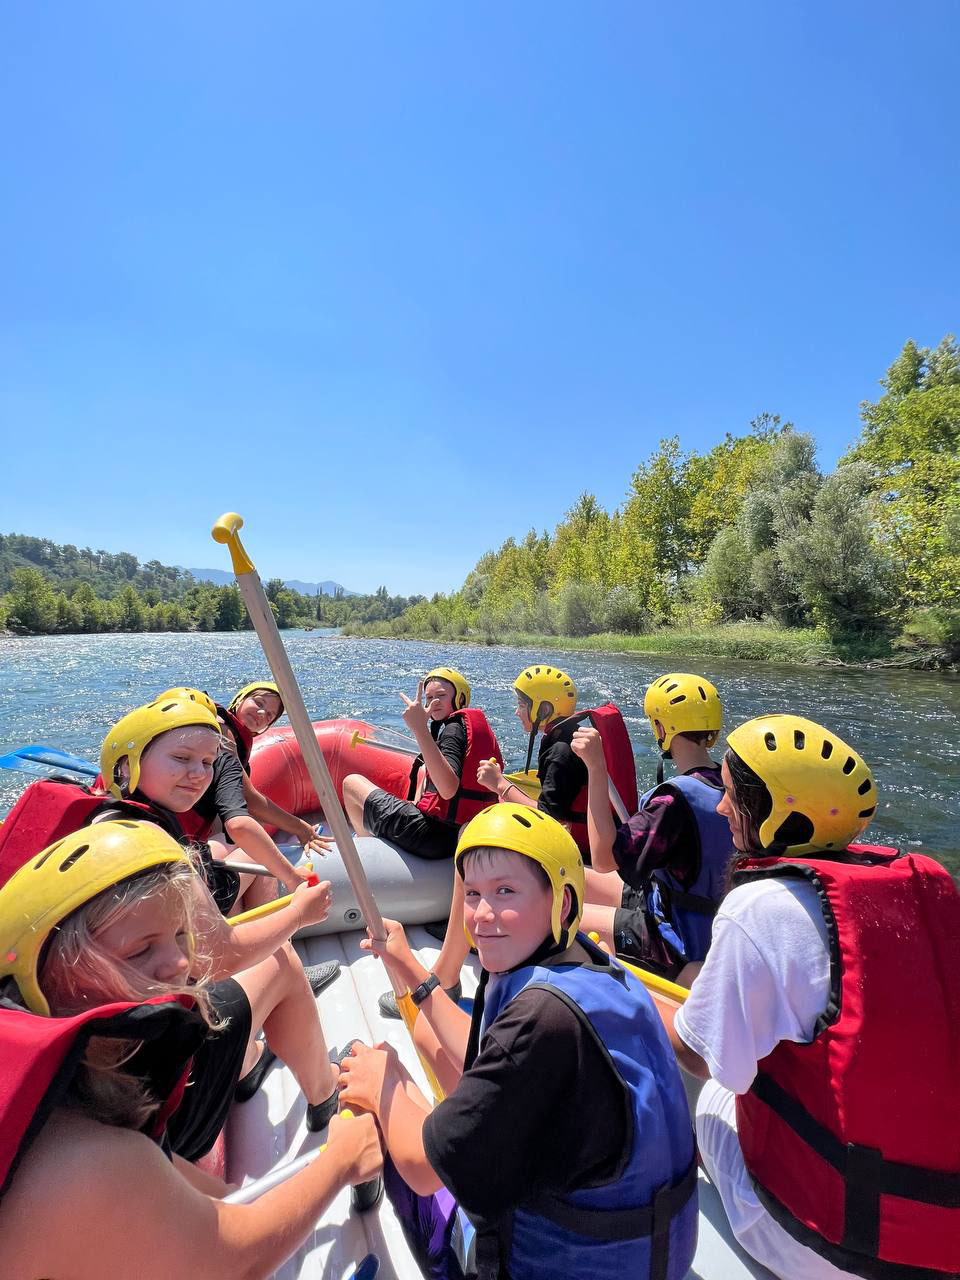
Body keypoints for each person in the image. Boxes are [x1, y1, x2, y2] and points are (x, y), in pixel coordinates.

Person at [0, 821, 383, 1280]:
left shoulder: (71, 1083)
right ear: (47, 981)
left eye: (181, 934)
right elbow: (236, 1262)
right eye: (140, 951)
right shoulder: (82, 1160)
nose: (183, 963)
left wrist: (225, 1197)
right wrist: (343, 1160)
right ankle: (324, 1097)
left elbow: (152, 1158)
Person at [654, 714, 960, 1280]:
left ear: (776, 812)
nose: (721, 808)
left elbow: (702, 1058)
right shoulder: (923, 886)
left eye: (732, 796)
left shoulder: (759, 907)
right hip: (944, 1239)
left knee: (712, 1096)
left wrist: (633, 994)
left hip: (828, 1247)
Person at [338, 803, 698, 1280]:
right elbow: (486, 1052)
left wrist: (383, 1082)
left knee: (377, 1094)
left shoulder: (538, 1021)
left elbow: (423, 1171)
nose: (481, 915)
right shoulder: (592, 963)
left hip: (567, 1267)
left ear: (562, 903)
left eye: (505, 891)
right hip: (649, 1255)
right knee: (424, 1034)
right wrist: (409, 966)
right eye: (472, 893)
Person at [341, 668, 502, 1020]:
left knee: (351, 783)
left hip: (431, 835)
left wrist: (418, 728)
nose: (432, 702)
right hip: (457, 834)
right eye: (428, 698)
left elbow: (447, 788)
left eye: (440, 695)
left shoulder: (453, 730)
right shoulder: (466, 729)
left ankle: (373, 856)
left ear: (459, 699)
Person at [574, 672, 735, 980]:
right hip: (685, 910)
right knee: (572, 877)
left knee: (556, 912)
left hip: (675, 940)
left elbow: (604, 859)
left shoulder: (672, 801)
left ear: (661, 728)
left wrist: (596, 767)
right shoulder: (727, 784)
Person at [155, 687, 321, 911]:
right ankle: (271, 932)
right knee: (257, 850)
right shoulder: (223, 740)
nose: (262, 714)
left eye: (270, 715)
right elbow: (246, 807)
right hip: (180, 869)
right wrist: (300, 831)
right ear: (239, 700)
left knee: (236, 850)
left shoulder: (146, 761)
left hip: (172, 858)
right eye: (259, 703)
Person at [476, 665, 637, 858]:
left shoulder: (561, 751)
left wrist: (499, 783)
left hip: (583, 854)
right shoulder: (568, 735)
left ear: (544, 710)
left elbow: (547, 817)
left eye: (521, 705)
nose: (517, 712)